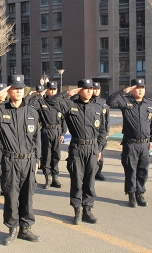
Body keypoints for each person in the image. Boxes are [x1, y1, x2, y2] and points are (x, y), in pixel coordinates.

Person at [0, 75, 41, 246]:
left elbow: (36, 137)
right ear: (9, 90)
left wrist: (37, 159)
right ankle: (12, 228)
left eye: (21, 88)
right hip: (11, 160)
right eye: (15, 88)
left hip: (28, 162)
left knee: (28, 196)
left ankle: (25, 228)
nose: (19, 91)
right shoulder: (0, 110)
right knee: (11, 196)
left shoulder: (32, 112)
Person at [50, 79, 107, 225]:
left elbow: (102, 131)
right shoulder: (70, 105)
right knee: (77, 180)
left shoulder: (97, 107)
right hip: (77, 148)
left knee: (90, 181)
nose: (89, 91)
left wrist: (99, 148)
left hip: (93, 149)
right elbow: (52, 103)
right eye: (86, 88)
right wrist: (68, 93)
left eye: (91, 88)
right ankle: (77, 211)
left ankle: (88, 209)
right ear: (79, 90)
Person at [106, 79, 152, 208]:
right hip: (130, 143)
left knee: (143, 170)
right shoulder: (125, 101)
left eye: (142, 88)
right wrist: (123, 91)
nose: (140, 90)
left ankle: (140, 193)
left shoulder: (149, 104)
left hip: (145, 144)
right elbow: (110, 102)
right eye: (137, 88)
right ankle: (131, 194)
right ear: (132, 89)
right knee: (131, 170)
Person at [30, 81, 67, 189]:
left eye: (54, 89)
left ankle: (55, 177)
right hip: (46, 132)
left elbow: (64, 119)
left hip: (57, 131)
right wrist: (39, 95)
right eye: (50, 89)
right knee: (46, 156)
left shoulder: (60, 102)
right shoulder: (41, 102)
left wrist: (63, 133)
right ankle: (48, 178)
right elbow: (30, 104)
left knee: (56, 156)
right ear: (47, 90)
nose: (52, 91)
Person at [92, 82, 110, 181]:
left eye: (98, 89)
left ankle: (98, 172)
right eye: (94, 89)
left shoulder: (104, 102)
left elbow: (107, 118)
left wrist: (107, 132)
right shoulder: (89, 102)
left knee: (100, 153)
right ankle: (91, 171)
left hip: (101, 133)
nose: (96, 90)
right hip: (92, 133)